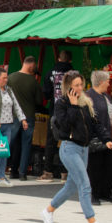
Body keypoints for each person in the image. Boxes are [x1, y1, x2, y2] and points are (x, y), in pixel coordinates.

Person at [40, 70, 112, 223]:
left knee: (71, 186)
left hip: (84, 149)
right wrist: (73, 106)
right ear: (68, 87)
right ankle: (92, 222)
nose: (80, 88)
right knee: (84, 183)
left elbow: (95, 124)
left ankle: (49, 210)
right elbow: (66, 126)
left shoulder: (86, 102)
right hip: (69, 148)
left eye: (81, 84)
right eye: (76, 85)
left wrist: (106, 140)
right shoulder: (62, 104)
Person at [0, 66, 27, 187]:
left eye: (6, 78)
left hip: (8, 125)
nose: (6, 80)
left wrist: (22, 119)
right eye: (3, 78)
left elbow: (16, 106)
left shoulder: (9, 90)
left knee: (4, 151)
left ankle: (2, 176)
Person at [38, 50, 74, 182]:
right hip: (70, 111)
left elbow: (46, 94)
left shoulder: (49, 73)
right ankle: (65, 173)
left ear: (58, 58)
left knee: (51, 142)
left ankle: (48, 172)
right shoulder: (74, 74)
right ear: (70, 61)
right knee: (68, 141)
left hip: (54, 111)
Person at [85, 70, 112, 205]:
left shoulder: (106, 96)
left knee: (111, 166)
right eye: (107, 81)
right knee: (95, 167)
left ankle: (106, 192)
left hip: (110, 136)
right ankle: (94, 194)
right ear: (101, 82)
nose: (108, 83)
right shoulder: (89, 96)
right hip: (96, 138)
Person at [7, 56, 43, 181]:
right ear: (31, 66)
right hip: (28, 116)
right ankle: (22, 173)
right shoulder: (33, 82)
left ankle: (10, 170)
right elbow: (39, 101)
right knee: (26, 145)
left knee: (12, 143)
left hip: (13, 116)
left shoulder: (10, 78)